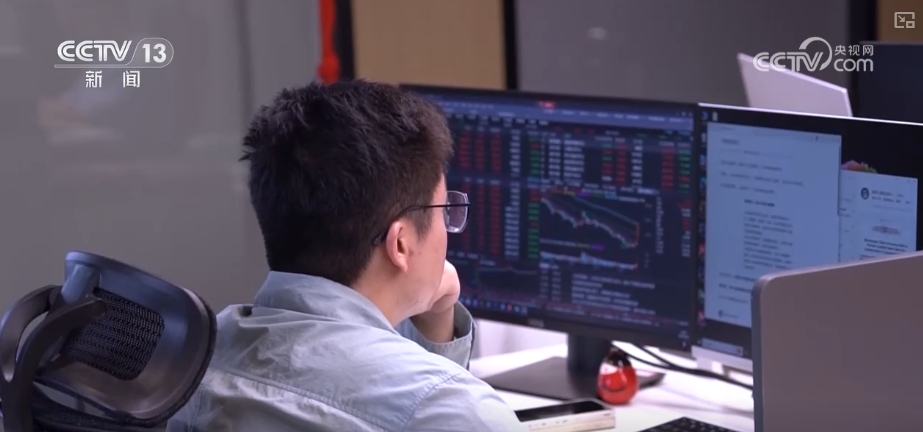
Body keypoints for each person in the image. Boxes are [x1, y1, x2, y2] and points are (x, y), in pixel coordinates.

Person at [167, 81, 525, 431]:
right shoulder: (458, 409)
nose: (447, 226)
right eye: (444, 210)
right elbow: (440, 409)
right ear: (400, 244)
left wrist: (436, 319)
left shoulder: (192, 362)